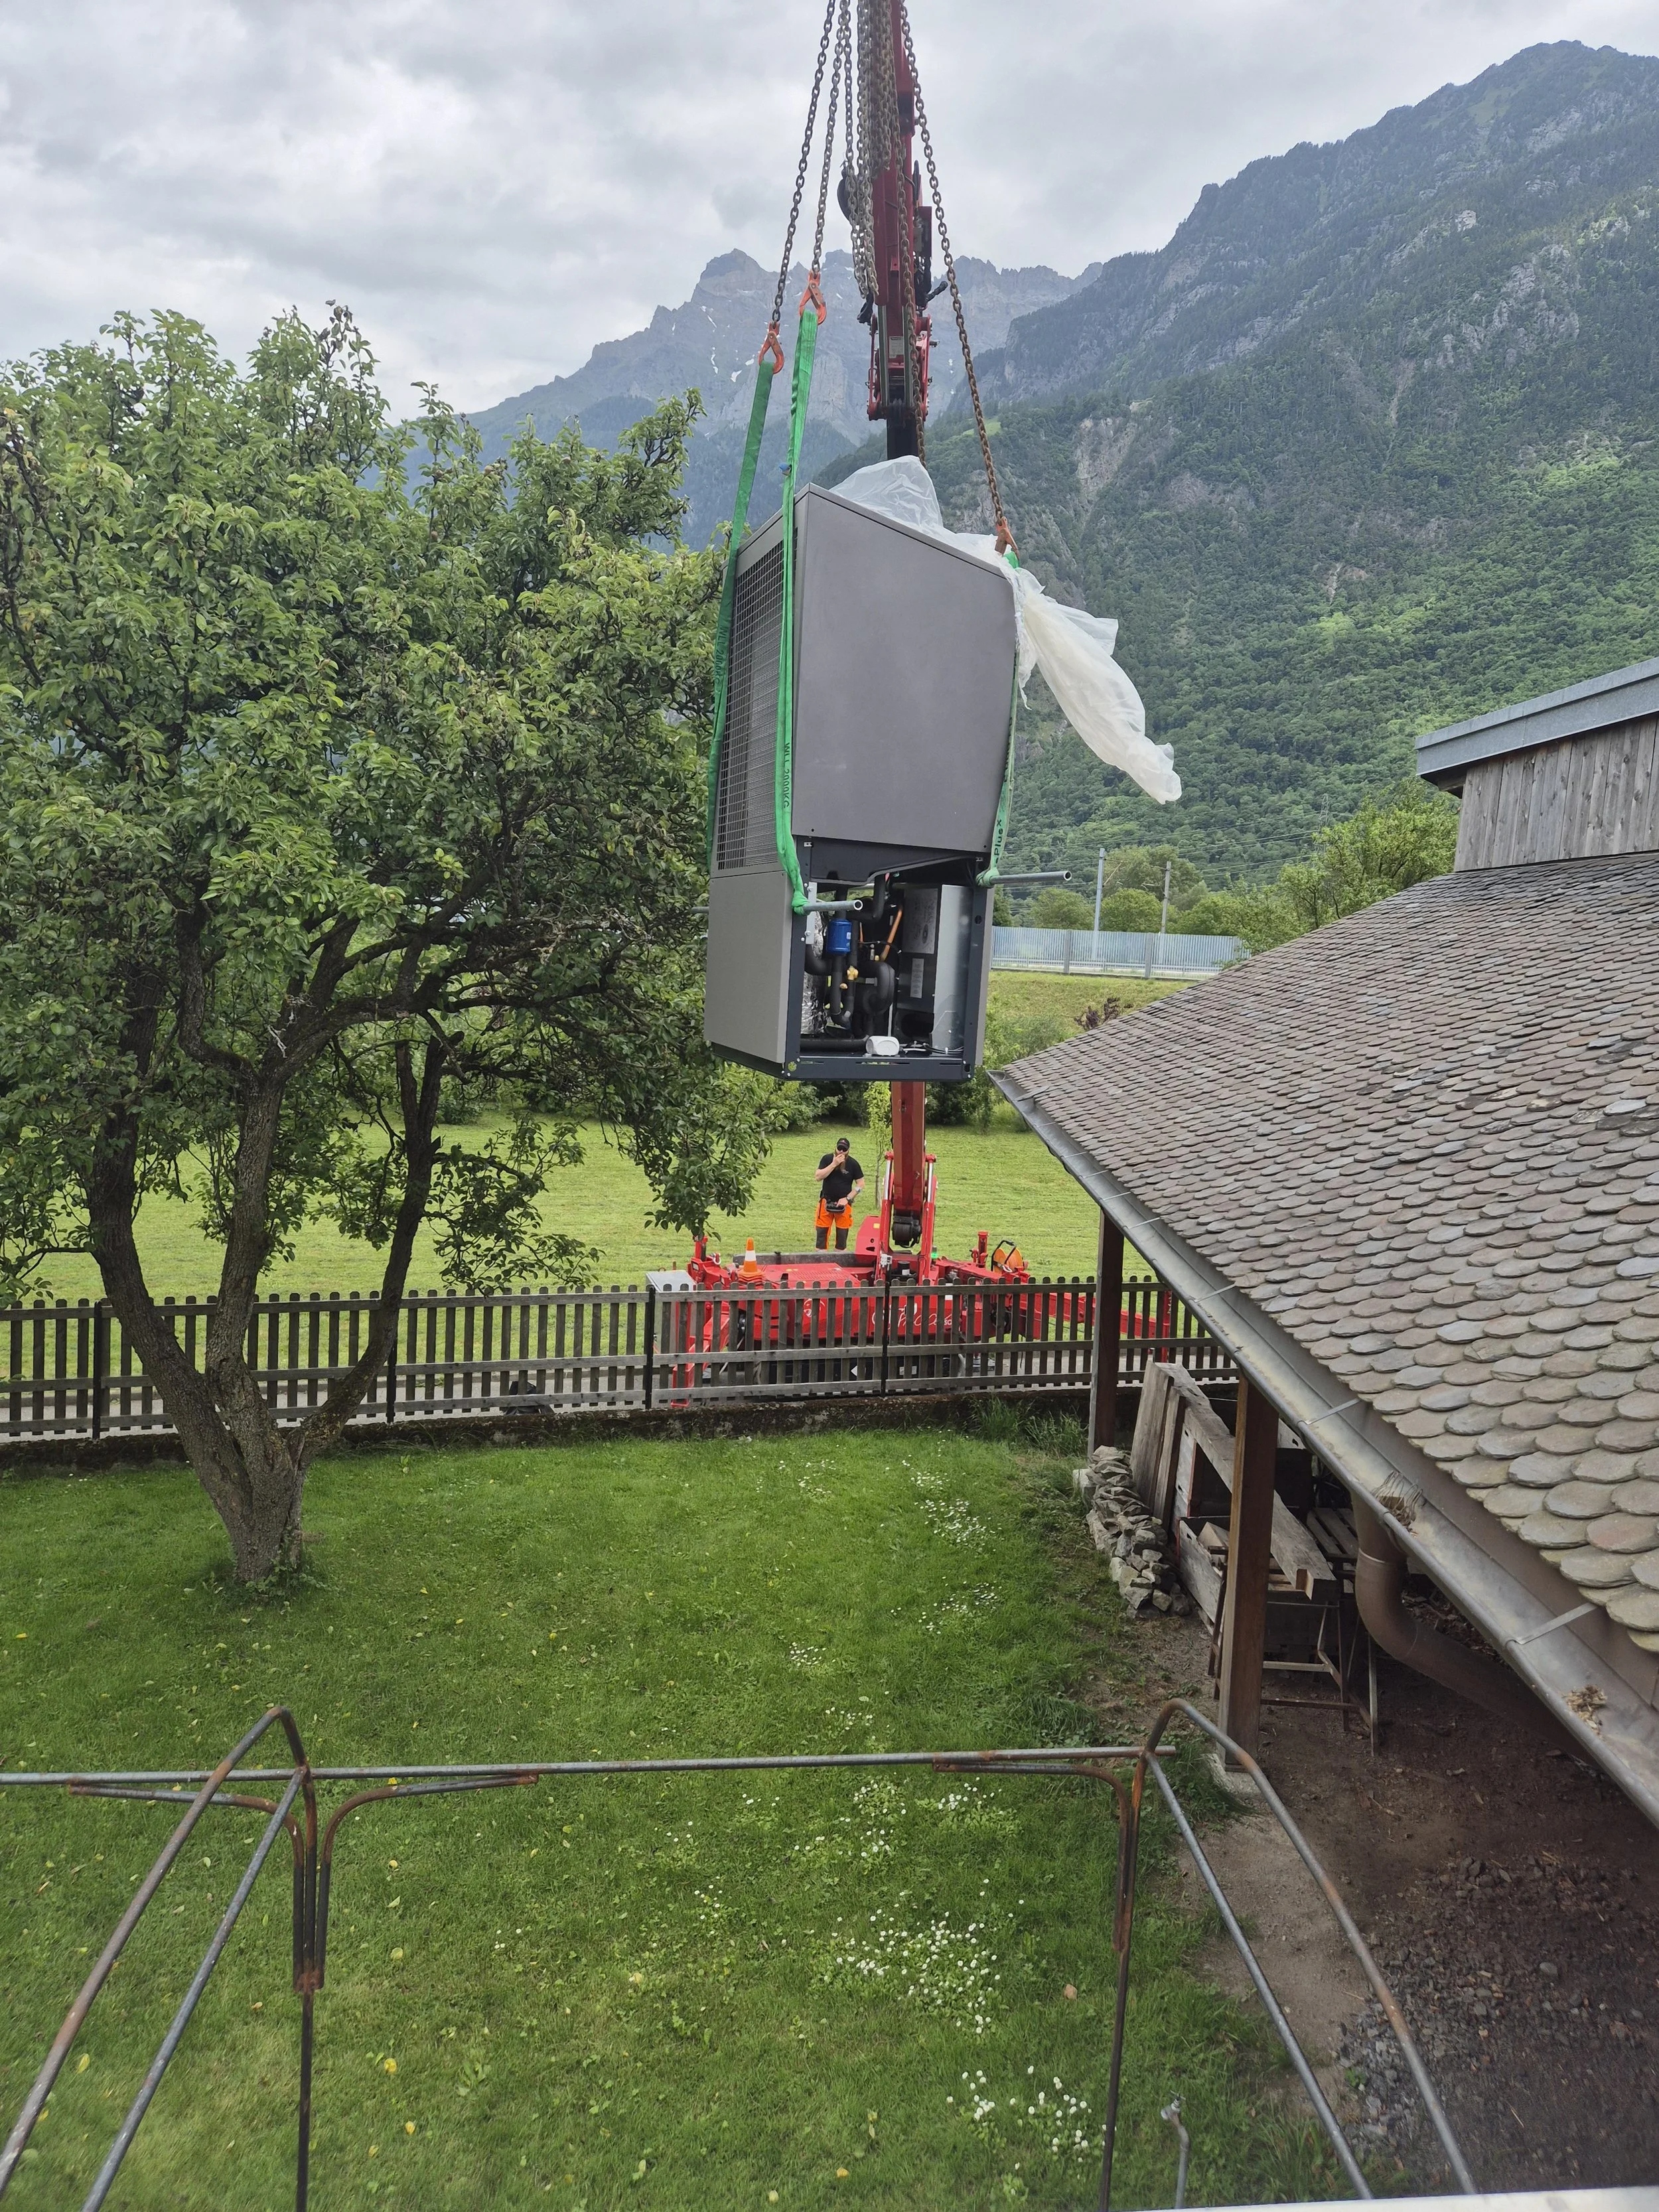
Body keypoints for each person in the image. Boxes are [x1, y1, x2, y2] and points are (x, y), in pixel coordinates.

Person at [813, 1135, 864, 1250]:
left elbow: (861, 1184)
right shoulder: (827, 1159)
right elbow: (818, 1177)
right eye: (839, 1148)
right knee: (821, 1237)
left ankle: (840, 1263)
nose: (841, 1151)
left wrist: (848, 1198)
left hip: (844, 1206)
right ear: (835, 1148)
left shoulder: (853, 1164)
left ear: (848, 1151)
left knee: (842, 1240)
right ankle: (821, 1262)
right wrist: (834, 1164)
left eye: (844, 1149)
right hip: (826, 1202)